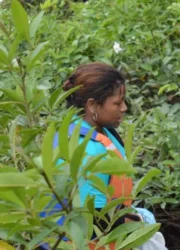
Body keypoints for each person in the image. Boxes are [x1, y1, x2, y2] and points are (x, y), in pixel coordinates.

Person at [41, 62, 167, 250]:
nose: (124, 108)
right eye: (117, 103)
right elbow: (94, 223)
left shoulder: (94, 130)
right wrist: (136, 222)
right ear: (92, 105)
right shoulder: (88, 151)